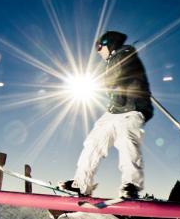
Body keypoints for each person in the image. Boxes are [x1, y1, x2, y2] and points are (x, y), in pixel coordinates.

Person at [61, 31, 153, 199]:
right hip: (114, 111)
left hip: (133, 108)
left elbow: (117, 76)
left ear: (108, 44)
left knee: (126, 140)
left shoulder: (124, 54)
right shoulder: (112, 61)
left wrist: (111, 86)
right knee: (93, 142)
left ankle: (131, 184)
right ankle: (81, 183)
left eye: (99, 47)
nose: (97, 51)